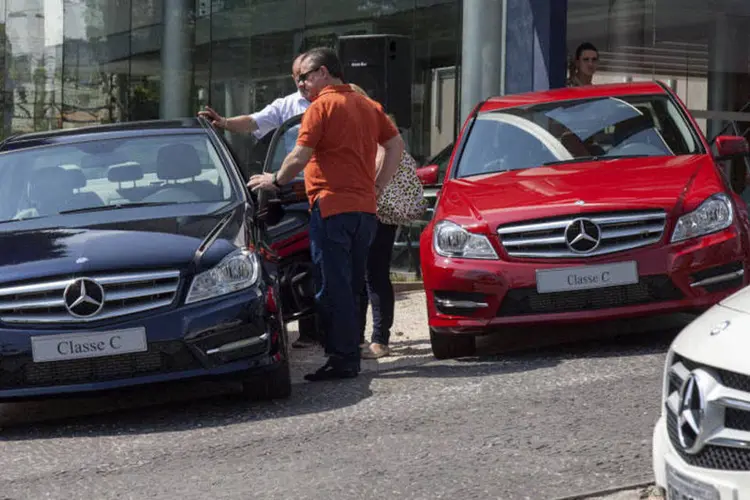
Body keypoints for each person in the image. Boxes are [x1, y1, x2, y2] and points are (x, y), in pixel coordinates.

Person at [248, 47, 405, 381]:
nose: (301, 84)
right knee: (352, 285)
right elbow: (395, 146)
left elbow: (298, 156)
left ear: (323, 72)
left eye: (304, 77)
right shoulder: (367, 105)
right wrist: (377, 187)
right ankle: (351, 352)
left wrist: (273, 179)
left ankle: (343, 359)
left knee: (332, 288)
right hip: (365, 211)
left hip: (332, 208)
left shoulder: (321, 107)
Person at [198, 53, 320, 349]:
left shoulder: (337, 103)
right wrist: (224, 122)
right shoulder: (288, 105)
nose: (300, 81)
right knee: (295, 257)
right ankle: (307, 327)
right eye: (296, 76)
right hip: (292, 192)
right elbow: (254, 122)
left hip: (328, 190)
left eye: (304, 75)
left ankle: (339, 333)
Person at [347, 84, 414, 359]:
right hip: (363, 209)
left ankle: (379, 339)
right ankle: (361, 337)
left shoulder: (372, 125)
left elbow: (382, 156)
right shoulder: (357, 126)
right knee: (363, 275)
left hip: (377, 210)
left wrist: (369, 190)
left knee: (373, 274)